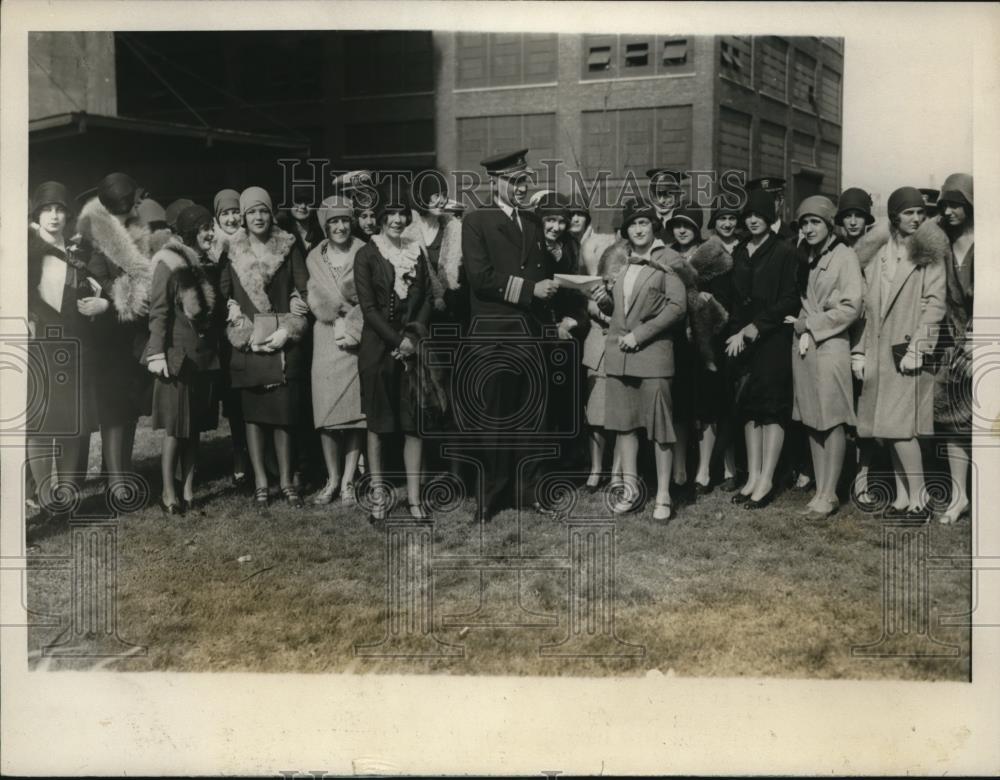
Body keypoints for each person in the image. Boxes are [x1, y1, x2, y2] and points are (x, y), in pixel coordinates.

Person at [460, 148, 561, 521]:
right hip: (494, 334)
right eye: (515, 181)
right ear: (496, 182)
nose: (522, 187)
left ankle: (529, 492)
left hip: (529, 334)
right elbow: (480, 278)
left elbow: (543, 270)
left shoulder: (534, 223)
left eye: (525, 181)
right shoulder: (476, 221)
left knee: (533, 417)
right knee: (494, 419)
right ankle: (490, 497)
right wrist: (529, 290)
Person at [852, 186, 947, 520]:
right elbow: (865, 307)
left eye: (920, 212)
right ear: (894, 216)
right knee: (885, 429)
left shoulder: (929, 253)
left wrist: (919, 348)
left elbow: (935, 304)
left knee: (901, 429)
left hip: (906, 351)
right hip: (879, 352)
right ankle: (903, 499)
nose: (916, 218)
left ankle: (920, 499)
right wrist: (859, 351)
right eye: (909, 212)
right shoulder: (878, 254)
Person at [221, 186, 310, 509]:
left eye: (263, 211)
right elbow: (222, 293)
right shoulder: (232, 250)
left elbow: (304, 287)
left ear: (271, 214)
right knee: (254, 418)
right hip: (249, 344)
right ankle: (260, 482)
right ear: (243, 218)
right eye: (251, 212)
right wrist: (231, 312)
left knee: (284, 415)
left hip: (282, 342)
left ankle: (287, 481)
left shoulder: (288, 246)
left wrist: (291, 324)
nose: (258, 217)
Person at [598, 201, 687, 522]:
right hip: (619, 356)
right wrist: (605, 301)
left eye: (644, 223)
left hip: (652, 355)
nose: (638, 229)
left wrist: (640, 335)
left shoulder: (668, 260)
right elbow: (622, 311)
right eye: (633, 224)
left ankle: (663, 494)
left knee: (660, 428)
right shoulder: (621, 261)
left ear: (654, 226)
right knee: (624, 427)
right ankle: (631, 491)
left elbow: (677, 307)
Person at [354, 182, 434, 522]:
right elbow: (369, 308)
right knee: (378, 425)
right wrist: (395, 341)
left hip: (413, 350)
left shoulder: (417, 250)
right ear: (381, 217)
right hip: (377, 350)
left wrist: (412, 339)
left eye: (403, 214)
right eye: (392, 214)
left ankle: (415, 501)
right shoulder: (367, 254)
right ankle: (377, 499)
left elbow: (427, 298)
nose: (398, 220)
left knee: (414, 424)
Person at [76, 172, 154, 507]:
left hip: (131, 335)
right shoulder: (97, 238)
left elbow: (145, 283)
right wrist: (116, 301)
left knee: (129, 408)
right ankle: (116, 481)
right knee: (113, 410)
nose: (138, 205)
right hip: (108, 339)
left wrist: (120, 297)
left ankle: (122, 469)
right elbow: (97, 281)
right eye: (133, 200)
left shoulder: (137, 233)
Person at [26, 181, 101, 520]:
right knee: (41, 425)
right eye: (47, 209)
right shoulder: (24, 250)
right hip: (40, 345)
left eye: (60, 210)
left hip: (76, 346)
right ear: (36, 213)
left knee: (74, 424)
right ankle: (45, 501)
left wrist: (99, 298)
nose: (54, 216)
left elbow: (91, 287)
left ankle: (67, 500)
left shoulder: (76, 253)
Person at [786, 196, 863, 518]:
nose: (808, 228)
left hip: (829, 346)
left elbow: (851, 307)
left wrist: (811, 324)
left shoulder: (844, 256)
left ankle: (829, 493)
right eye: (804, 222)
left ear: (830, 224)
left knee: (831, 420)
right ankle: (820, 489)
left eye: (815, 221)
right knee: (811, 420)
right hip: (805, 346)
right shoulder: (805, 254)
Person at [143, 205, 223, 515]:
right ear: (191, 233)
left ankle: (189, 491)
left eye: (210, 227)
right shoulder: (168, 263)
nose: (210, 233)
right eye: (205, 229)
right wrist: (157, 352)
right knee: (176, 429)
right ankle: (168, 494)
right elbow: (159, 312)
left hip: (201, 357)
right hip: (177, 357)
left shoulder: (201, 264)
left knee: (195, 429)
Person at [725, 189, 801, 509]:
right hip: (741, 339)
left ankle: (767, 478)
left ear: (770, 218)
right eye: (749, 215)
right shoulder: (741, 251)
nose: (753, 220)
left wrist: (755, 327)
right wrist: (736, 331)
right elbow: (733, 296)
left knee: (770, 409)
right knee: (748, 408)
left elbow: (790, 298)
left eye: (759, 215)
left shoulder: (785, 251)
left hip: (772, 338)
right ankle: (752, 476)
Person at [305, 195, 366, 506]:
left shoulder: (365, 251)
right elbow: (311, 294)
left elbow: (373, 298)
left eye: (344, 220)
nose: (340, 226)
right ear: (324, 225)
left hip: (355, 338)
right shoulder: (313, 257)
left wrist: (354, 325)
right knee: (327, 413)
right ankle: (331, 478)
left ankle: (348, 481)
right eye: (333, 221)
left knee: (356, 414)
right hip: (326, 336)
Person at [934, 173, 974, 524]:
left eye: (957, 204)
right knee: (953, 423)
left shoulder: (989, 243)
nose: (949, 211)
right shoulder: (942, 243)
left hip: (985, 343)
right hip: (953, 344)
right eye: (945, 204)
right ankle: (958, 495)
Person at [747, 177, 796, 243]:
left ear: (781, 201)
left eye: (770, 199)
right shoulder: (744, 237)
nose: (765, 205)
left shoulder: (792, 238)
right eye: (761, 200)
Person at [646, 169, 689, 238]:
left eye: (667, 195)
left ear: (677, 195)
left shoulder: (685, 226)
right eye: (656, 195)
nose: (661, 201)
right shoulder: (644, 223)